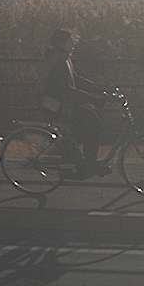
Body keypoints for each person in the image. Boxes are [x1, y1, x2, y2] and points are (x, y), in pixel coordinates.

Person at [41, 28, 110, 179]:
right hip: (57, 106)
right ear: (61, 43)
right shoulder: (58, 60)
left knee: (90, 119)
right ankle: (86, 164)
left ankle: (81, 161)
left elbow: (76, 78)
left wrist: (97, 87)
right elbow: (67, 89)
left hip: (61, 104)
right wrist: (93, 97)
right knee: (92, 122)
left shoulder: (64, 57)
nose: (73, 45)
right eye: (70, 42)